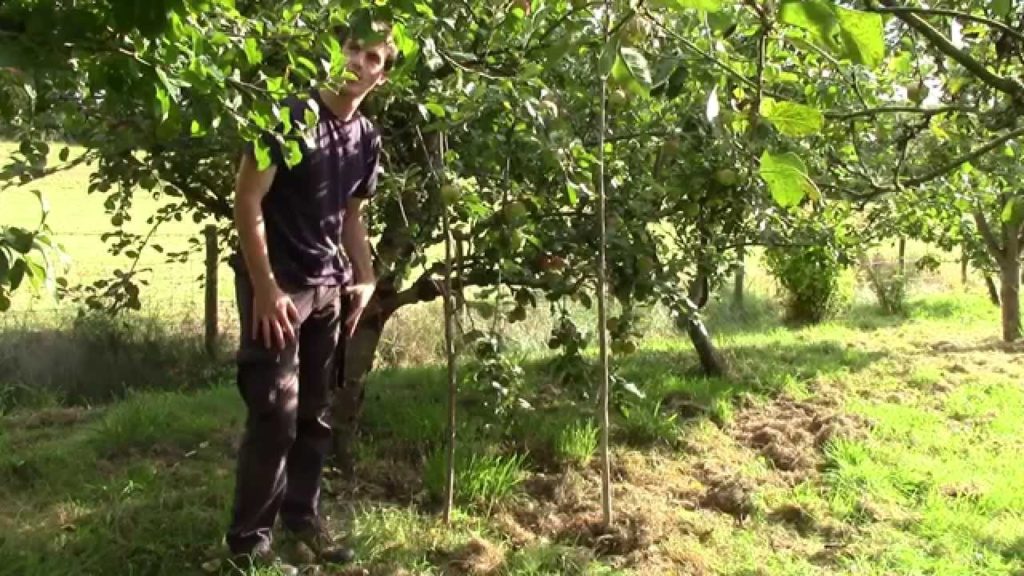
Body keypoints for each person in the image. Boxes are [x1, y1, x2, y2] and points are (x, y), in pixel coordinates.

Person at [225, 23, 396, 573]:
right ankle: (250, 546)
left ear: (381, 74)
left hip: (329, 288)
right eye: (351, 48)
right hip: (277, 285)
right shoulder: (287, 116)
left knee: (315, 413)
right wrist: (267, 286)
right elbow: (247, 200)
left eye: (371, 56)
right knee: (274, 410)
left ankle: (303, 516)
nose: (357, 62)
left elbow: (352, 215)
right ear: (335, 52)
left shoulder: (366, 136)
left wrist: (364, 276)